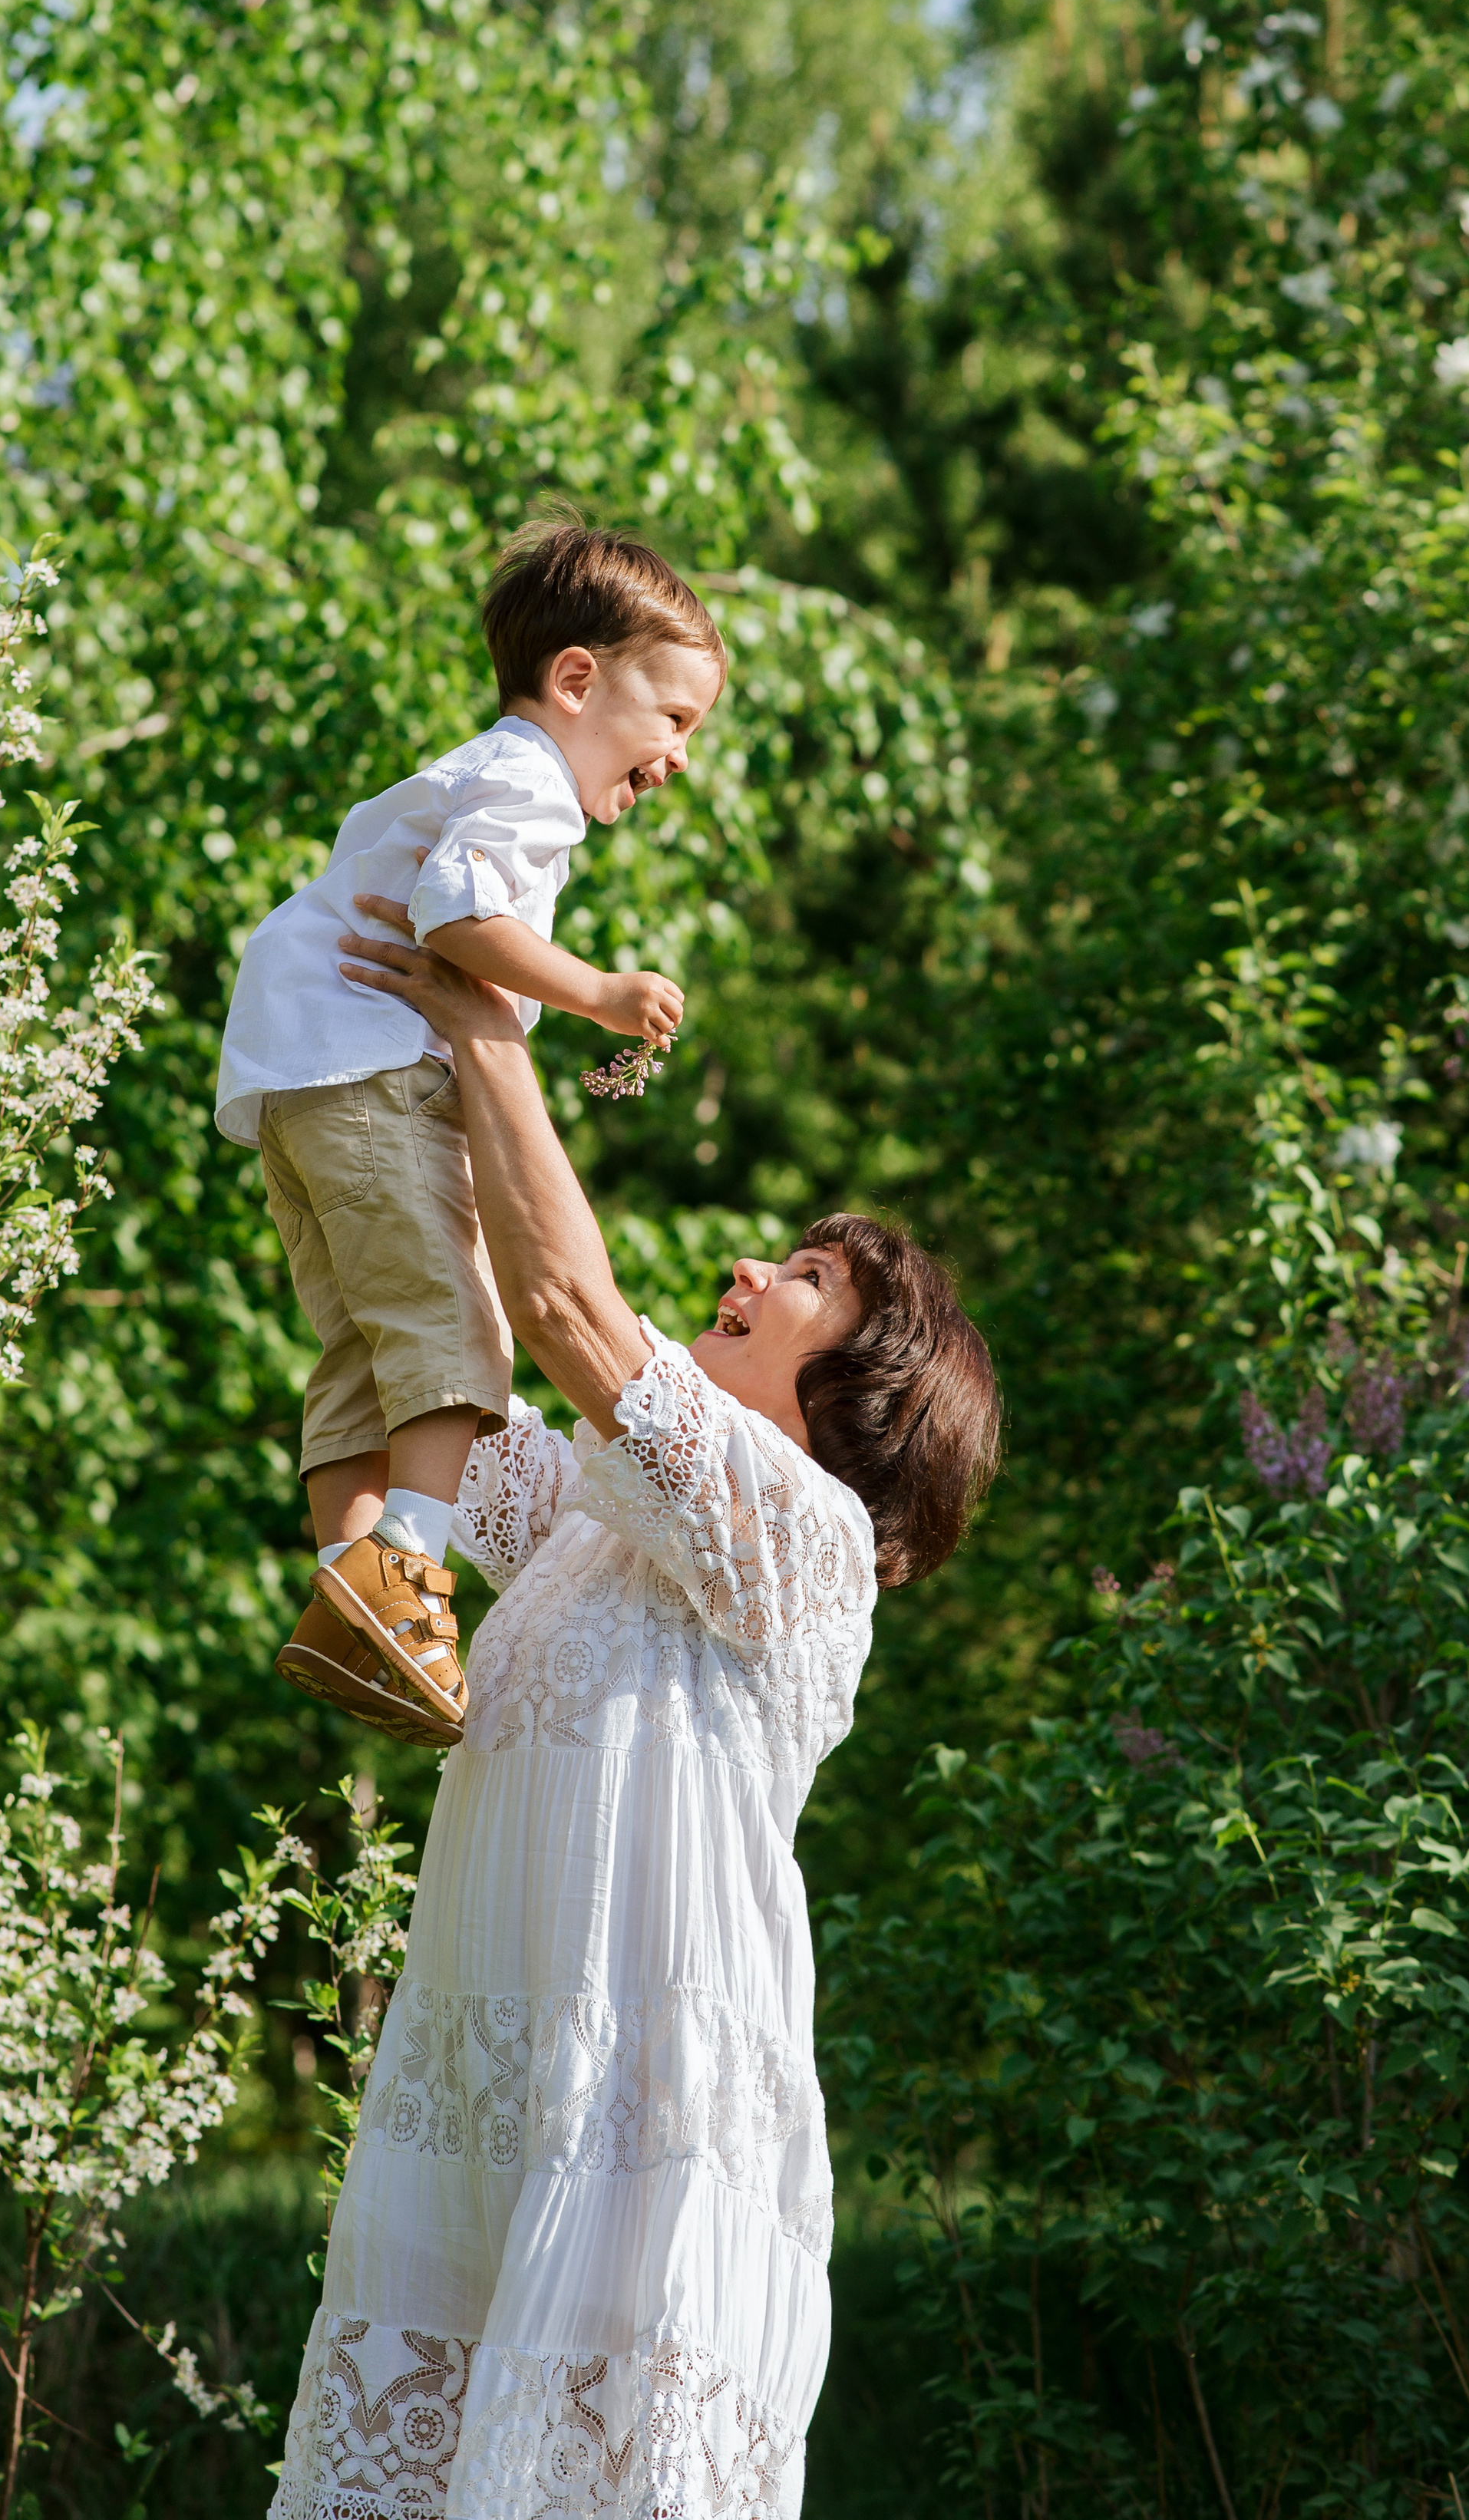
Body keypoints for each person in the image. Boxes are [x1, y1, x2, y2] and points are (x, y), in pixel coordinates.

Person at [267, 902, 1002, 2520]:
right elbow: (424, 1397)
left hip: (646, 2167)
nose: (749, 1269)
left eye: (803, 1280)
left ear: (864, 1394)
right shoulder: (593, 1529)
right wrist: (349, 1141)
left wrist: (482, 1023)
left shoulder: (805, 1546)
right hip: (479, 2166)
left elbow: (568, 1313)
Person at [215, 515, 726, 1743]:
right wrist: (598, 990)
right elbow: (454, 910)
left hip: (299, 1077)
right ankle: (406, 1569)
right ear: (576, 679)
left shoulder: (490, 772)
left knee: (368, 1355)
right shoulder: (527, 779)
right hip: (371, 1069)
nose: (679, 758)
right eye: (673, 719)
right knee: (459, 1322)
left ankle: (359, 1596)